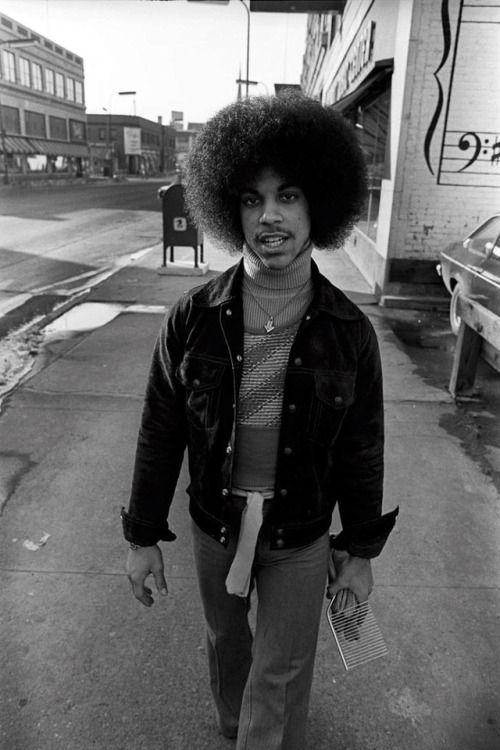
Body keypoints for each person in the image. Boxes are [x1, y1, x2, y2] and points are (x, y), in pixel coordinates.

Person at [122, 92, 398, 750]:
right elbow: (160, 430)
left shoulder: (349, 331)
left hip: (300, 532)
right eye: (251, 198)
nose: (269, 216)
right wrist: (141, 537)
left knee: (281, 672)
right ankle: (232, 730)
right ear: (229, 208)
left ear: (319, 207)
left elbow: (362, 447)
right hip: (216, 524)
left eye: (289, 196)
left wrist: (358, 552)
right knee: (228, 652)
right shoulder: (192, 319)